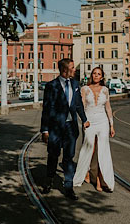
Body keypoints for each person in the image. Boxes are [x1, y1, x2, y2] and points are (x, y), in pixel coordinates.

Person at [40, 58, 89, 200]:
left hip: (70, 127)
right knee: (53, 155)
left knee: (69, 157)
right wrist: (44, 130)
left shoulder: (75, 84)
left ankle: (68, 187)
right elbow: (47, 109)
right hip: (55, 127)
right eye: (72, 68)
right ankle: (48, 182)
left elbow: (78, 104)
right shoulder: (52, 86)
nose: (74, 70)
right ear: (64, 70)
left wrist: (84, 120)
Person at [73, 66, 116, 192]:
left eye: (98, 74)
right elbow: (81, 106)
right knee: (89, 148)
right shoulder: (85, 89)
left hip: (103, 122)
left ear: (102, 77)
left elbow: (108, 108)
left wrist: (111, 125)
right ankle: (85, 171)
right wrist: (83, 121)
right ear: (91, 75)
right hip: (89, 121)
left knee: (102, 151)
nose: (96, 75)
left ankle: (100, 180)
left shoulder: (105, 90)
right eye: (94, 73)